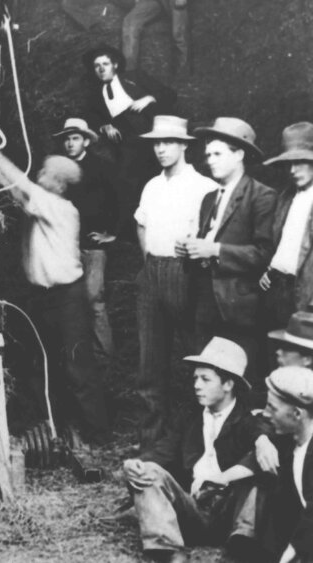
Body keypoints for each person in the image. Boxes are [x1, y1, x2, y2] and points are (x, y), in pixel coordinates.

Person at [0, 129, 109, 443]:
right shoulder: (43, 205)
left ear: (59, 183)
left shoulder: (60, 209)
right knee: (46, 363)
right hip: (45, 297)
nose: (39, 175)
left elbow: (19, 185)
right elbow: (15, 191)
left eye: (45, 173)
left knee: (78, 367)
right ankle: (57, 427)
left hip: (68, 297)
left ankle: (97, 433)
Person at [122, 337, 262, 563]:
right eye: (195, 378)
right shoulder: (189, 418)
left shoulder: (248, 421)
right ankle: (168, 550)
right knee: (148, 470)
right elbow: (163, 451)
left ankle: (243, 546)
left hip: (229, 512)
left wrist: (259, 444)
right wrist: (137, 464)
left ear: (228, 384)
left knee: (258, 475)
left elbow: (262, 451)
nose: (197, 385)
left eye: (206, 379)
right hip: (192, 508)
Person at [134, 115, 218, 445]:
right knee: (150, 364)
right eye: (156, 142)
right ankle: (152, 444)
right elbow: (141, 223)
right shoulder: (152, 186)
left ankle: (199, 443)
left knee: (197, 359)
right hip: (152, 272)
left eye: (168, 142)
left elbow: (213, 236)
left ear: (184, 145)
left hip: (187, 275)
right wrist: (149, 262)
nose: (161, 149)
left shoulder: (204, 187)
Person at [183, 118, 275, 384]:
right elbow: (206, 245)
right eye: (208, 154)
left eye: (217, 154)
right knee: (208, 378)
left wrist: (214, 249)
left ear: (239, 154)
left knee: (241, 379)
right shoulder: (209, 199)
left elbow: (263, 253)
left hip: (240, 308)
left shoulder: (261, 196)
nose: (210, 160)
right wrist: (190, 249)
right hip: (205, 304)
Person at [84, 44, 175, 236]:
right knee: (125, 185)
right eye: (97, 66)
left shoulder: (134, 78)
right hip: (127, 144)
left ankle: (165, 229)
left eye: (105, 64)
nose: (101, 69)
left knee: (161, 181)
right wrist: (105, 126)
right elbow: (92, 117)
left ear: (115, 65)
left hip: (151, 133)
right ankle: (128, 233)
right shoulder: (95, 94)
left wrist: (148, 98)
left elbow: (169, 94)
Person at [54, 117, 118, 363]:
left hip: (92, 246)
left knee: (93, 298)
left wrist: (112, 234)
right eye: (67, 139)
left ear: (86, 141)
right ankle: (74, 354)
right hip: (66, 247)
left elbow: (119, 201)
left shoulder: (101, 167)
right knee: (69, 300)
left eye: (75, 138)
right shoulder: (59, 170)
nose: (70, 144)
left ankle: (105, 354)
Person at [240, 366, 313, 561]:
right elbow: (250, 422)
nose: (265, 413)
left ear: (297, 414)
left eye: (272, 407)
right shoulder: (290, 444)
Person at [261, 123, 313, 331]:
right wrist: (270, 268)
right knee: (276, 352)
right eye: (289, 163)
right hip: (277, 289)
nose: (292, 170)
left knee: (302, 356)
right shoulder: (286, 196)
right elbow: (282, 240)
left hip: (306, 294)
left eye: (300, 162)